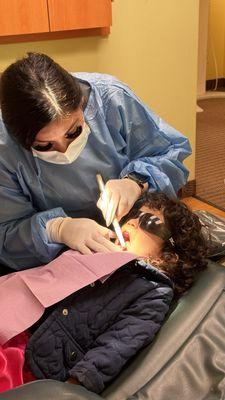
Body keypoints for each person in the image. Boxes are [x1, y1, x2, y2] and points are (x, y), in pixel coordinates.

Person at [0, 53, 192, 270]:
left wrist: (136, 181)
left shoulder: (111, 100)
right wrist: (57, 229)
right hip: (56, 261)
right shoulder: (4, 149)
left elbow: (171, 152)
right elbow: (7, 234)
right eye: (44, 146)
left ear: (81, 103)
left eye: (73, 131)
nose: (64, 150)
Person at [25, 193, 208, 393]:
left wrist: (73, 387)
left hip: (40, 369)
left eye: (149, 221)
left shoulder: (153, 292)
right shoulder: (99, 251)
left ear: (169, 257)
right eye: (136, 214)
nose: (133, 222)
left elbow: (116, 346)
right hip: (21, 328)